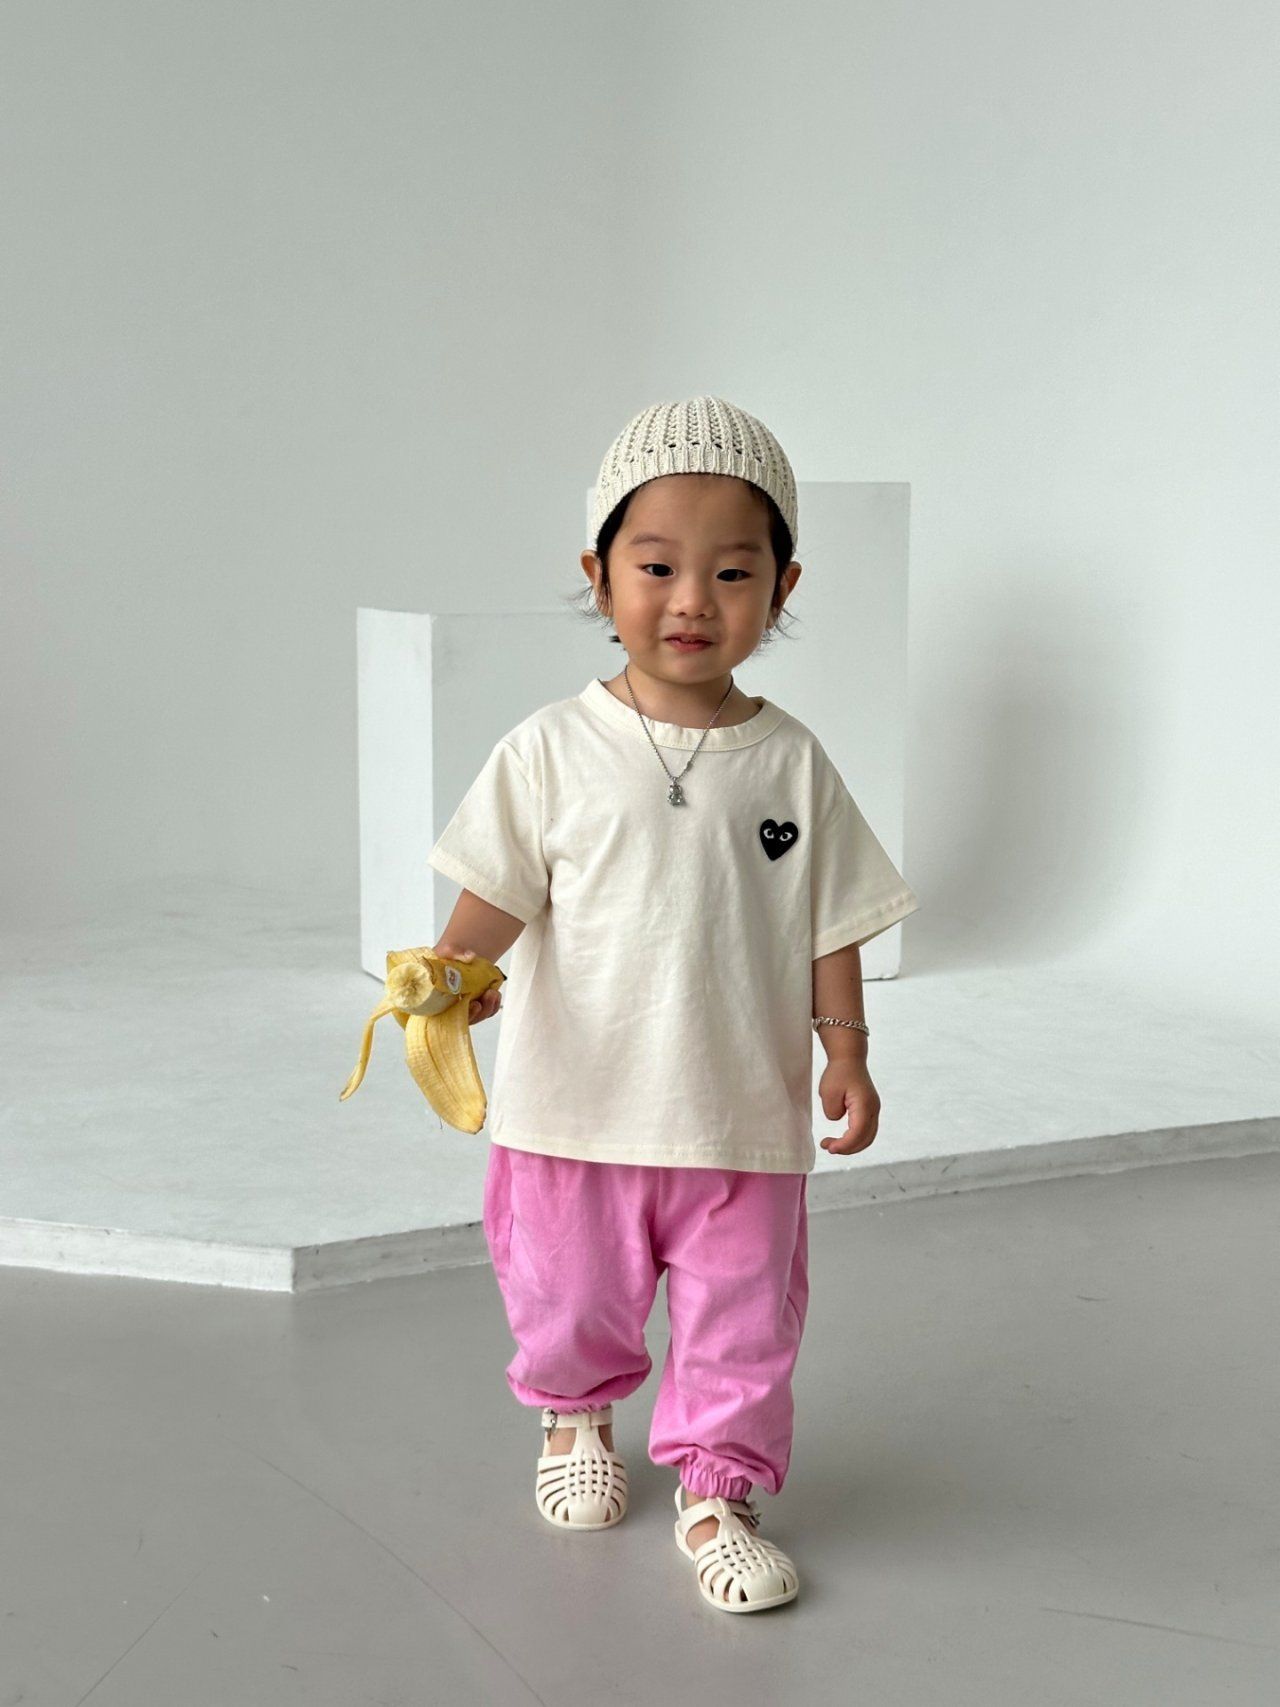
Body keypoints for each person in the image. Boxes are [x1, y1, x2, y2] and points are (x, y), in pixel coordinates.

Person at [427, 395, 920, 1614]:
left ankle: (717, 1492)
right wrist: (453, 975)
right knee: (566, 1297)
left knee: (742, 1321)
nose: (691, 599)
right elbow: (494, 896)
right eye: (655, 567)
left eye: (731, 572)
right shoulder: (548, 750)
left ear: (781, 587)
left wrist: (844, 1053)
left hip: (736, 1118)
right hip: (574, 1112)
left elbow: (829, 922)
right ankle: (573, 1418)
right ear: (597, 576)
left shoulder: (790, 760)